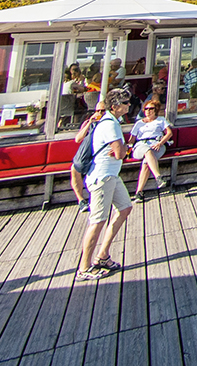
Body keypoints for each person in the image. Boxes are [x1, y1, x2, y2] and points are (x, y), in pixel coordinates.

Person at [76, 90, 132, 280]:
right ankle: (84, 267)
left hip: (112, 175)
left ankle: (103, 255)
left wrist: (122, 149)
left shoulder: (113, 122)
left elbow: (118, 151)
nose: (129, 105)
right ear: (115, 106)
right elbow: (120, 153)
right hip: (102, 177)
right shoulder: (110, 124)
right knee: (97, 221)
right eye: (125, 102)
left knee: (125, 208)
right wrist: (125, 148)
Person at [130, 100, 172, 199]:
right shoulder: (139, 123)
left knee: (146, 163)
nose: (148, 111)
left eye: (151, 109)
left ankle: (139, 192)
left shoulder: (161, 120)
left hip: (156, 144)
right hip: (141, 145)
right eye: (146, 109)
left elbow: (169, 133)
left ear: (155, 110)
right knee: (147, 151)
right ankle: (158, 177)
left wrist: (160, 143)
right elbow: (131, 139)